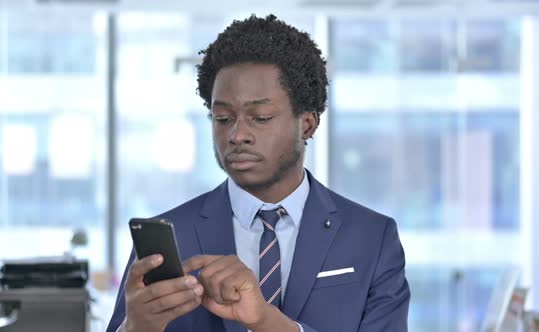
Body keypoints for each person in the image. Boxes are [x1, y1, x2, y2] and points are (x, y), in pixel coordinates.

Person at [106, 14, 410, 332]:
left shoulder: (371, 238)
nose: (237, 135)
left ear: (307, 123)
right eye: (223, 118)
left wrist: (265, 321)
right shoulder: (173, 234)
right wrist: (135, 328)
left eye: (260, 117)